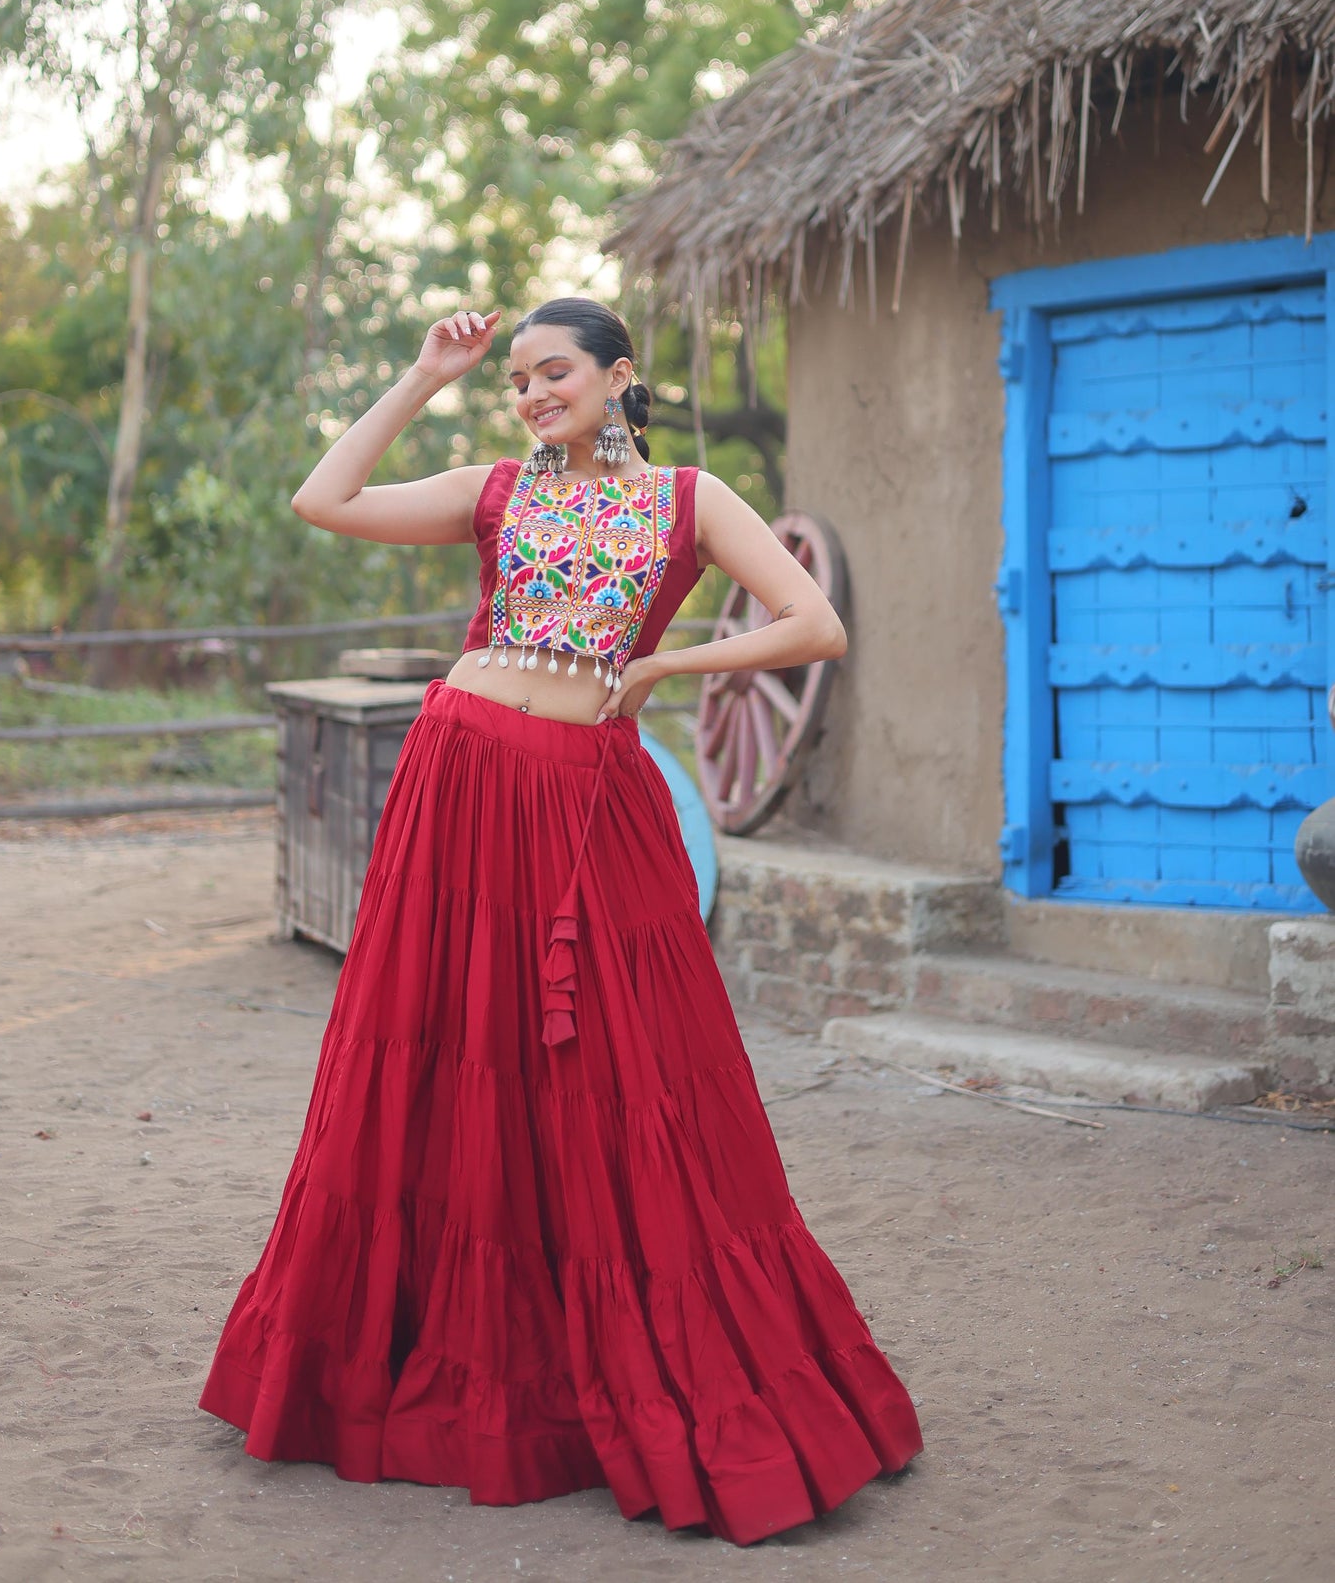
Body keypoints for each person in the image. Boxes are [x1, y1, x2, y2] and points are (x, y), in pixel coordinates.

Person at [199, 295, 922, 1545]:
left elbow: (816, 622)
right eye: (518, 379)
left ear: (615, 376)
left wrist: (662, 668)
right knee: (440, 1066)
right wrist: (427, 372)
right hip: (461, 781)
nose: (532, 394)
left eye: (553, 373)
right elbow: (327, 497)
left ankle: (648, 1372)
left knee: (622, 1077)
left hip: (587, 804)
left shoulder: (688, 500)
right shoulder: (493, 491)